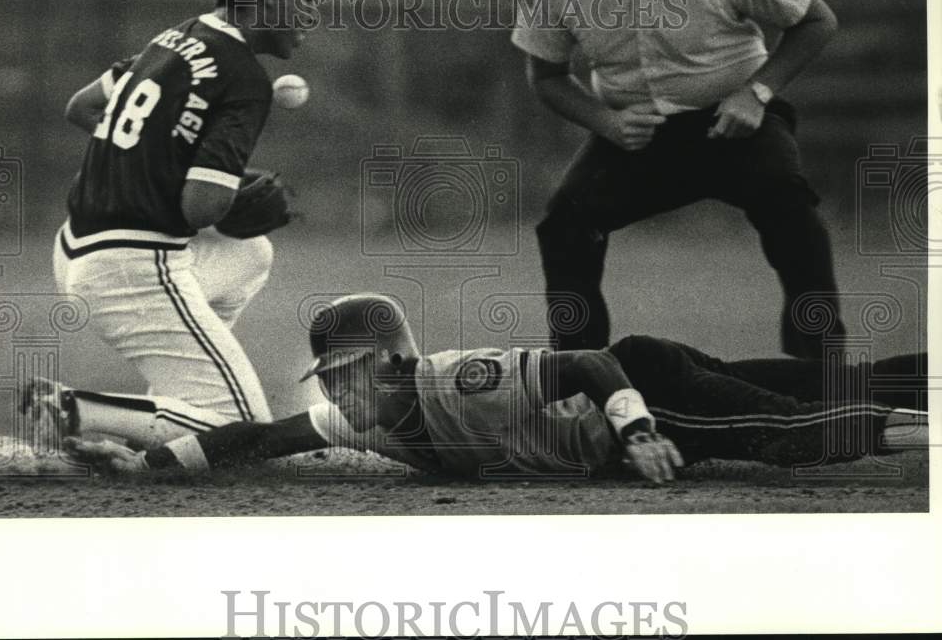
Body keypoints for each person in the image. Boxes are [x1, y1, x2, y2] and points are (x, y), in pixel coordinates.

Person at [511, 0, 844, 358]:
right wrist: (605, 122)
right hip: (635, 133)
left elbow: (817, 21)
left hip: (734, 122)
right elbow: (546, 74)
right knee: (564, 226)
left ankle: (822, 373)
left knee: (790, 207)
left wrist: (756, 93)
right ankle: (578, 383)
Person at [24, 0, 352, 449]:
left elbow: (81, 106)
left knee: (250, 252)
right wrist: (232, 193)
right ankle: (74, 410)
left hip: (77, 247)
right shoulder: (244, 77)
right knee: (237, 434)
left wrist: (158, 160)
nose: (315, 13)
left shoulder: (174, 37)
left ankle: (176, 398)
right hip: (131, 267)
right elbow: (201, 207)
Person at [66, 294, 926, 483]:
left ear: (398, 361)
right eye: (337, 380)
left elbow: (589, 362)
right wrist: (148, 466)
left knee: (781, 431)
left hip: (641, 387)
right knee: (825, 388)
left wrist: (634, 432)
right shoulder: (361, 418)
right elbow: (251, 439)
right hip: (643, 381)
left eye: (357, 375)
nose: (345, 394)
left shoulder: (458, 383)